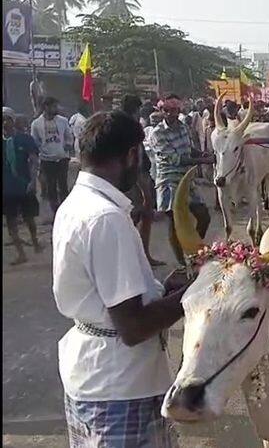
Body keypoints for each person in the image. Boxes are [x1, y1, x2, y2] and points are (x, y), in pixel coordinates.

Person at [53, 110, 190, 447]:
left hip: (98, 378)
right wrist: (194, 294)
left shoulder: (78, 204)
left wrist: (162, 290)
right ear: (131, 155)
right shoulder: (106, 219)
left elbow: (112, 296)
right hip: (120, 387)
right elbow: (133, 327)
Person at [150, 94, 214, 265]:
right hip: (169, 179)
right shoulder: (158, 133)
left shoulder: (183, 127)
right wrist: (203, 161)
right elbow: (176, 159)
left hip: (186, 178)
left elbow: (188, 149)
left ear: (179, 110)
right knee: (174, 221)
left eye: (174, 110)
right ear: (162, 111)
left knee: (204, 216)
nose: (171, 113)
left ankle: (193, 250)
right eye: (167, 110)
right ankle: (181, 263)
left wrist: (203, 154)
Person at [121, 94, 163, 266]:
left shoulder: (128, 127)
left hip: (137, 175)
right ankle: (135, 257)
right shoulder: (129, 129)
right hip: (134, 177)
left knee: (144, 215)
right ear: (135, 109)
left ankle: (143, 255)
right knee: (136, 215)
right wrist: (143, 187)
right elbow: (134, 158)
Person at [3, 108, 42, 265]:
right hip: (7, 189)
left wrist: (33, 181)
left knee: (29, 219)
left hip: (24, 185)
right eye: (3, 119)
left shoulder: (25, 139)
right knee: (11, 222)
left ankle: (35, 241)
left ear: (14, 121)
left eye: (8, 119)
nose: (5, 122)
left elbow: (33, 160)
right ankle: (21, 253)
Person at [30, 96, 73, 219]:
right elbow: (35, 140)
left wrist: (67, 146)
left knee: (63, 186)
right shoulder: (36, 124)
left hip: (62, 158)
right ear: (46, 107)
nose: (56, 109)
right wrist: (41, 150)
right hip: (47, 159)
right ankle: (56, 213)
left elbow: (69, 135)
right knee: (51, 188)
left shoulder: (63, 121)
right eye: (53, 106)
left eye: (56, 106)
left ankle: (67, 212)